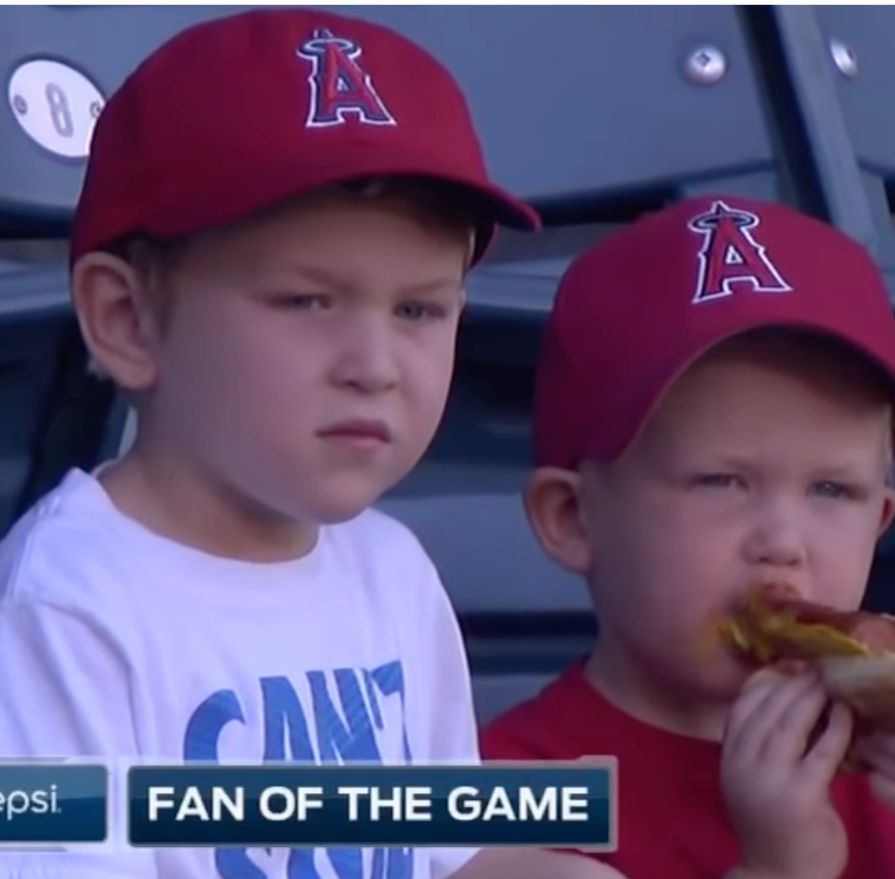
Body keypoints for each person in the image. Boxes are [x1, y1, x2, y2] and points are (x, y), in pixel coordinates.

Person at [0, 9, 622, 879]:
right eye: (307, 301)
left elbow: (439, 852)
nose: (375, 366)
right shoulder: (65, 605)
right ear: (128, 320)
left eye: (418, 309)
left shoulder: (391, 571)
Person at [481, 195, 895, 879]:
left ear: (882, 521)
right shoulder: (504, 790)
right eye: (722, 482)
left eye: (831, 490)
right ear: (572, 517)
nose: (783, 541)